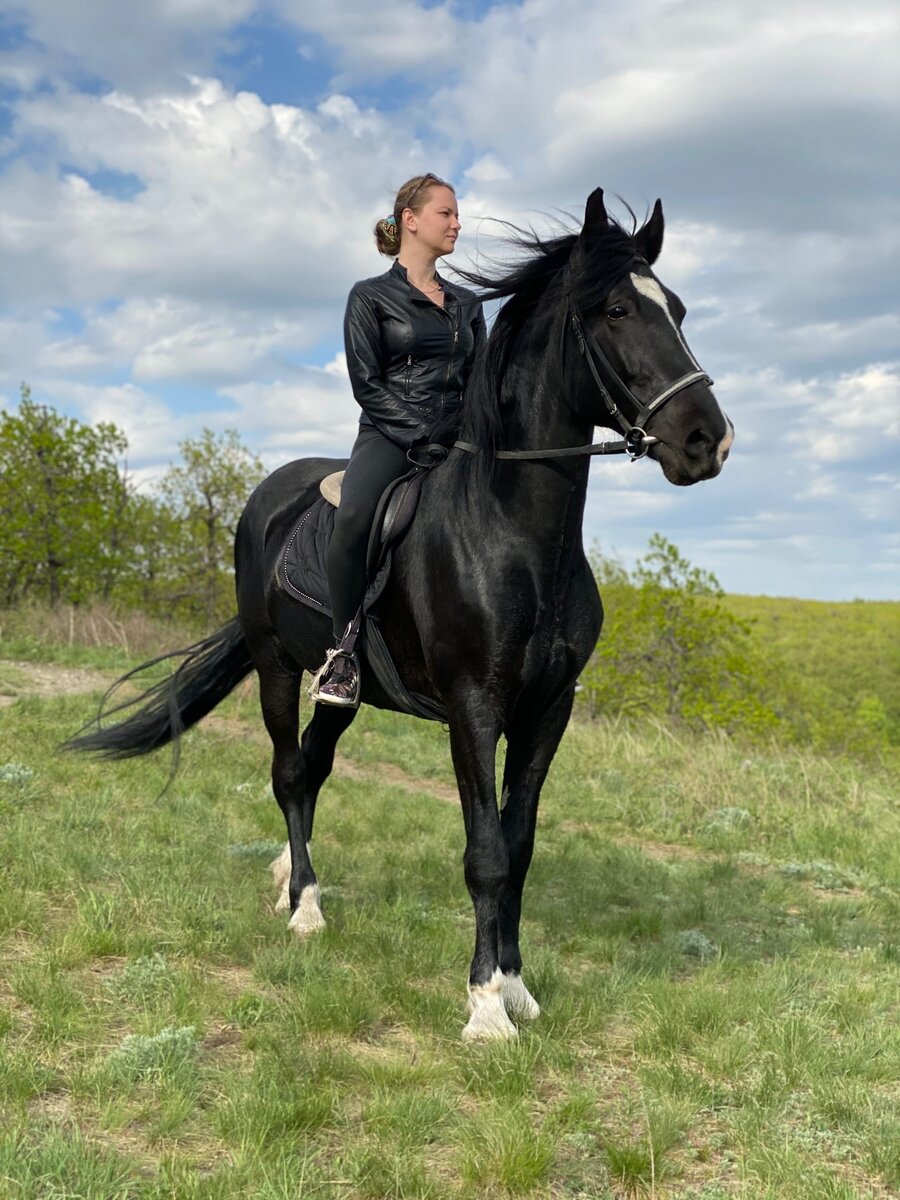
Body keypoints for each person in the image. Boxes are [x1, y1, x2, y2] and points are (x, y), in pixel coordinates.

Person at [309, 172, 487, 706]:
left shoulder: (468, 304)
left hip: (460, 441)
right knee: (353, 522)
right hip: (390, 436)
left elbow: (482, 380)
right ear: (411, 220)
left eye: (458, 214)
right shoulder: (369, 297)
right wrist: (420, 435)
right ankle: (341, 657)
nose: (458, 223)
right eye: (446, 214)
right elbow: (367, 385)